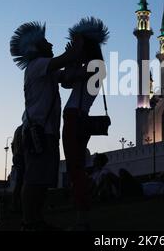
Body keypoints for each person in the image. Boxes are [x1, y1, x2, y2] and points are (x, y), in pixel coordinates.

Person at [10, 21, 83, 231]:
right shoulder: (38, 65)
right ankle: (29, 222)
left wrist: (78, 66)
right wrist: (77, 42)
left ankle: (36, 221)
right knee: (34, 180)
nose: (51, 44)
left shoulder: (45, 69)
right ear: (36, 48)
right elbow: (66, 61)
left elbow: (67, 77)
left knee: (41, 180)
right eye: (45, 42)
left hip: (46, 131)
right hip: (39, 131)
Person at [62, 17, 109, 230]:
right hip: (80, 117)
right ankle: (82, 214)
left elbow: (65, 79)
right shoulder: (97, 67)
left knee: (75, 167)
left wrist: (71, 57)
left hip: (74, 117)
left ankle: (82, 219)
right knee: (77, 166)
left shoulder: (93, 67)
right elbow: (67, 80)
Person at [10, 125, 24, 213]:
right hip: (22, 157)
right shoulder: (25, 128)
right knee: (22, 182)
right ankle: (17, 205)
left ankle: (15, 204)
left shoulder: (18, 129)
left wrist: (14, 154)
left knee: (19, 182)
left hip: (17, 157)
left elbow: (12, 145)